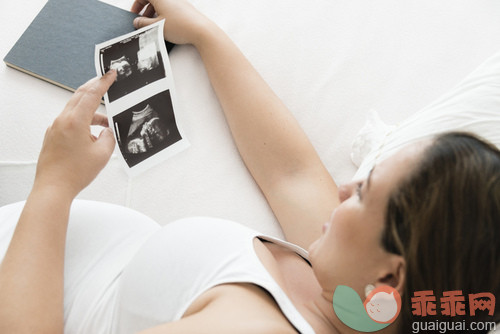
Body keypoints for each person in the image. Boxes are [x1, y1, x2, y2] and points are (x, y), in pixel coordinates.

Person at [0, 0, 498, 333]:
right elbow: (291, 173)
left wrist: (55, 184)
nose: (345, 187)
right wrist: (207, 36)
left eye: (364, 193)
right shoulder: (352, 302)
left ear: (393, 275)